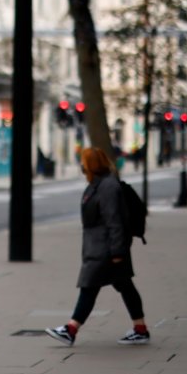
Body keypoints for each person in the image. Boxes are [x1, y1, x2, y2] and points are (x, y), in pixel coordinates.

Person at [47, 146, 150, 347]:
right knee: (124, 286)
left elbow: (115, 220)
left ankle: (71, 329)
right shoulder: (98, 184)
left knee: (89, 286)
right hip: (101, 247)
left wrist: (118, 251)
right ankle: (140, 329)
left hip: (106, 249)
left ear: (91, 165)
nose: (82, 167)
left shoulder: (108, 187)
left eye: (84, 163)